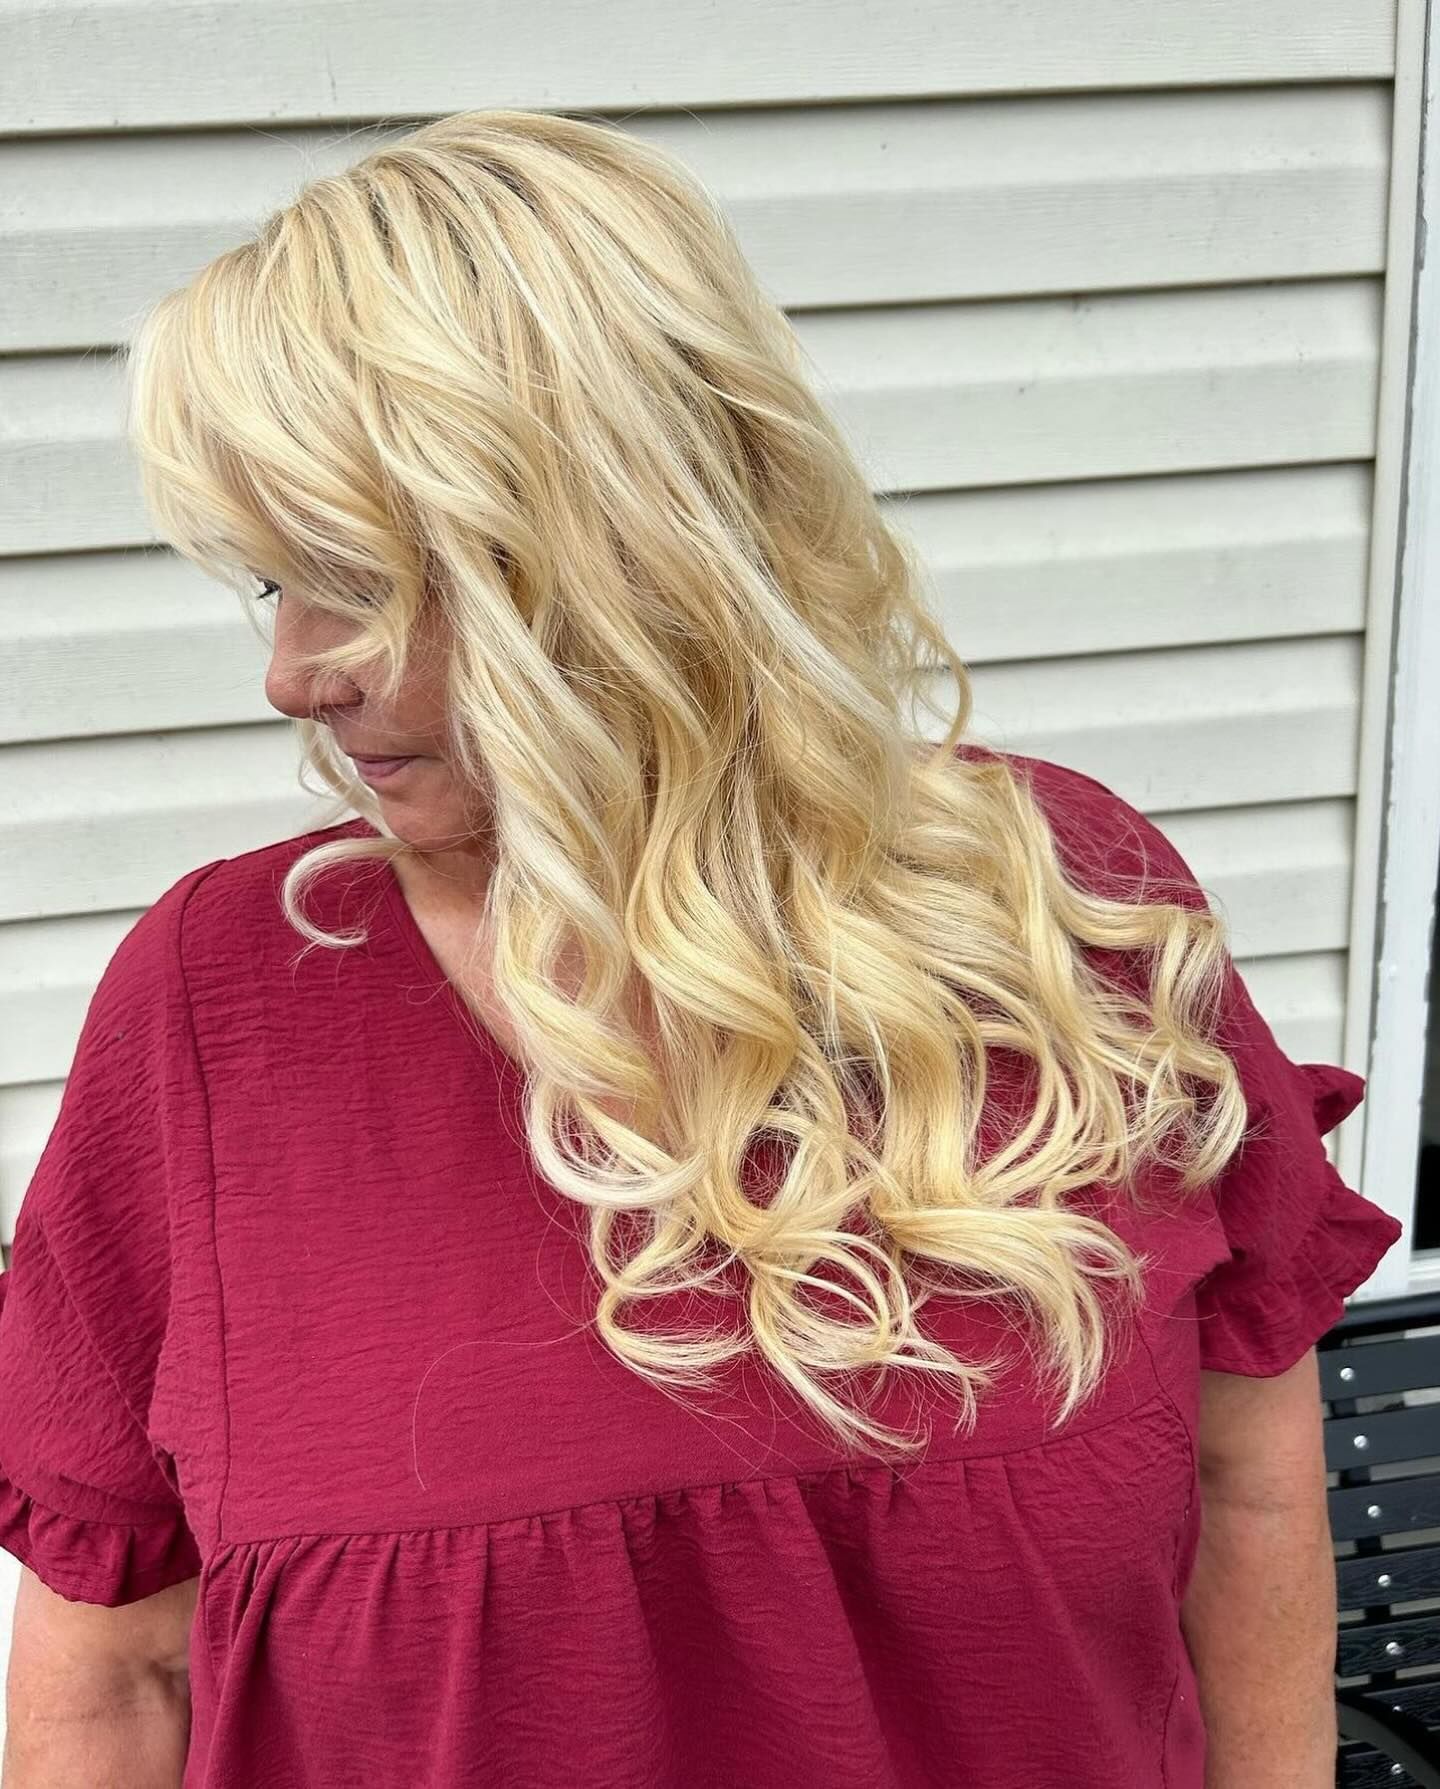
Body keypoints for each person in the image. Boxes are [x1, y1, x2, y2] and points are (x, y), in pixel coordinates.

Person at [0, 108, 1402, 1789]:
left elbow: (1248, 1490)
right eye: (268, 586)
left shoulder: (1062, 911)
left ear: (628, 537)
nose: (295, 671)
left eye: (359, 575)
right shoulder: (217, 1012)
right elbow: (121, 1655)